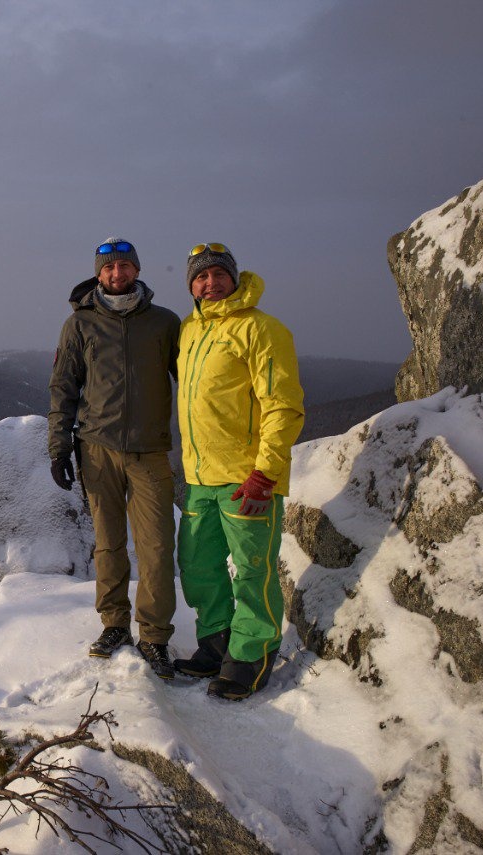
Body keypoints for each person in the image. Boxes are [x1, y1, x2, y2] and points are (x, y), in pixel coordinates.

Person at [173, 243, 305, 700]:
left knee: (252, 569)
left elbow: (283, 407)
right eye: (200, 277)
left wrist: (265, 474)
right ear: (191, 284)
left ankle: (251, 655)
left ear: (233, 276)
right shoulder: (190, 331)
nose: (210, 283)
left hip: (246, 477)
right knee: (197, 566)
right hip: (198, 478)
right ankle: (216, 643)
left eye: (217, 274)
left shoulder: (262, 329)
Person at [48, 237, 182, 678]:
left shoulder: (164, 323)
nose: (117, 274)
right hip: (97, 449)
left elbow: (193, 382)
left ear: (137, 271)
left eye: (124, 266)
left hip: (150, 451)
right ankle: (114, 624)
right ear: (98, 274)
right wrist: (60, 446)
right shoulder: (80, 324)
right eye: (108, 268)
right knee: (108, 543)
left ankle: (156, 636)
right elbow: (63, 387)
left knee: (158, 548)